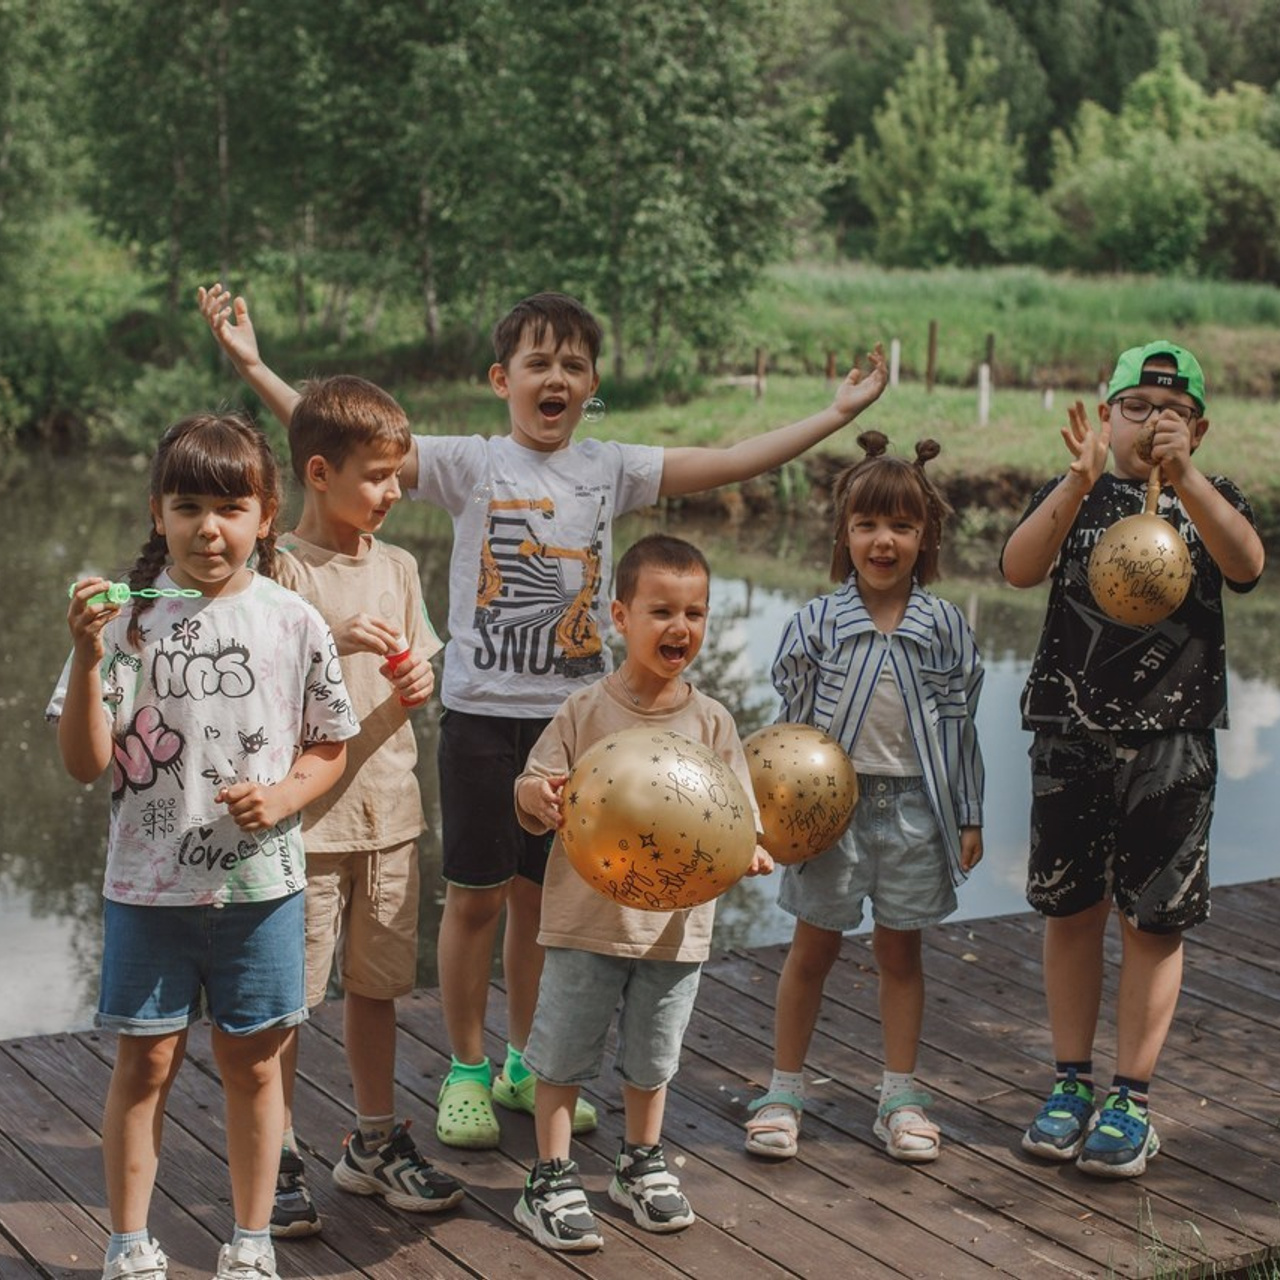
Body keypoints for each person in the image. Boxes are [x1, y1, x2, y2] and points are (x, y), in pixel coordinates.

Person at [196, 281, 886, 1152]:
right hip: (482, 721)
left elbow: (731, 457)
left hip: (580, 731)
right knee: (475, 900)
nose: (555, 377)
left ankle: (525, 1062)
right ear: (502, 378)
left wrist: (832, 413)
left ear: (590, 386)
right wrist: (256, 365)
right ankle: (466, 1068)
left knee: (543, 905)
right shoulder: (468, 463)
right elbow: (338, 440)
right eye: (538, 363)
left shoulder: (611, 467)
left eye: (573, 365)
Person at [49, 415, 358, 1280]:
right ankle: (127, 1242)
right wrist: (82, 657)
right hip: (146, 891)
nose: (208, 528)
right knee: (144, 1064)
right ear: (157, 513)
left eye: (230, 507)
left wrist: (285, 795)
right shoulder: (122, 620)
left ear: (267, 515)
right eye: (187, 506)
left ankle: (252, 1241)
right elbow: (84, 763)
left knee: (254, 1070)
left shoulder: (294, 619)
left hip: (262, 891)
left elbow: (329, 744)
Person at [1001, 341, 1264, 1178]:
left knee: (1155, 921)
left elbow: (1247, 565)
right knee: (1070, 910)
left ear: (1200, 428)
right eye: (1137, 409)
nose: (1154, 423)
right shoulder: (1075, 492)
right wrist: (1076, 481)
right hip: (1069, 732)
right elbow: (1015, 569)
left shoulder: (1213, 498)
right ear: (1106, 415)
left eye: (1174, 412)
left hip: (1173, 740)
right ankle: (1070, 1082)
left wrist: (1186, 481)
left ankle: (1131, 1100)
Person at [511, 533, 773, 1252]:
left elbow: (735, 807)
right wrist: (540, 795)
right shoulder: (583, 711)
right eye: (662, 611)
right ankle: (551, 1175)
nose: (679, 628)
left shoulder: (711, 720)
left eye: (694, 613)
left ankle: (640, 1160)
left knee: (653, 1056)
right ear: (620, 617)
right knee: (561, 1054)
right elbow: (530, 788)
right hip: (584, 921)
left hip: (674, 929)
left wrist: (747, 846)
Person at [744, 431, 984, 1164]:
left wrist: (970, 813)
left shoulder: (944, 627)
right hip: (829, 815)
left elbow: (960, 727)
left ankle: (900, 1095)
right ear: (844, 533)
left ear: (926, 537)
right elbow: (786, 728)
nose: (884, 541)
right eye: (868, 525)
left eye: (903, 527)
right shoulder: (815, 624)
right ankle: (783, 1090)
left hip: (915, 809)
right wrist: (773, 816)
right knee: (811, 949)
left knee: (900, 953)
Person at [266, 375, 463, 1237]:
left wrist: (423, 676)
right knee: (286, 1002)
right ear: (318, 471)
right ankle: (271, 1155)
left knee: (378, 989)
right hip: (305, 829)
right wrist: (325, 635)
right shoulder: (274, 566)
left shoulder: (401, 565)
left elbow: (421, 662)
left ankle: (373, 1143)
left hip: (391, 818)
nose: (393, 491)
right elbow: (250, 687)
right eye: (378, 476)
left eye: (398, 475)